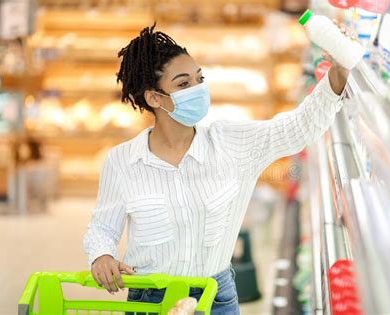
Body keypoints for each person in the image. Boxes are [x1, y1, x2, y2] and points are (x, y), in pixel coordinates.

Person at [83, 23, 349, 314]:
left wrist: (338, 72)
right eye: (183, 84)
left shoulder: (232, 143)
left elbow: (298, 128)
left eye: (200, 79)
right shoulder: (122, 161)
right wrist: (102, 255)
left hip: (215, 297)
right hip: (151, 299)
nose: (197, 90)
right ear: (154, 98)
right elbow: (103, 227)